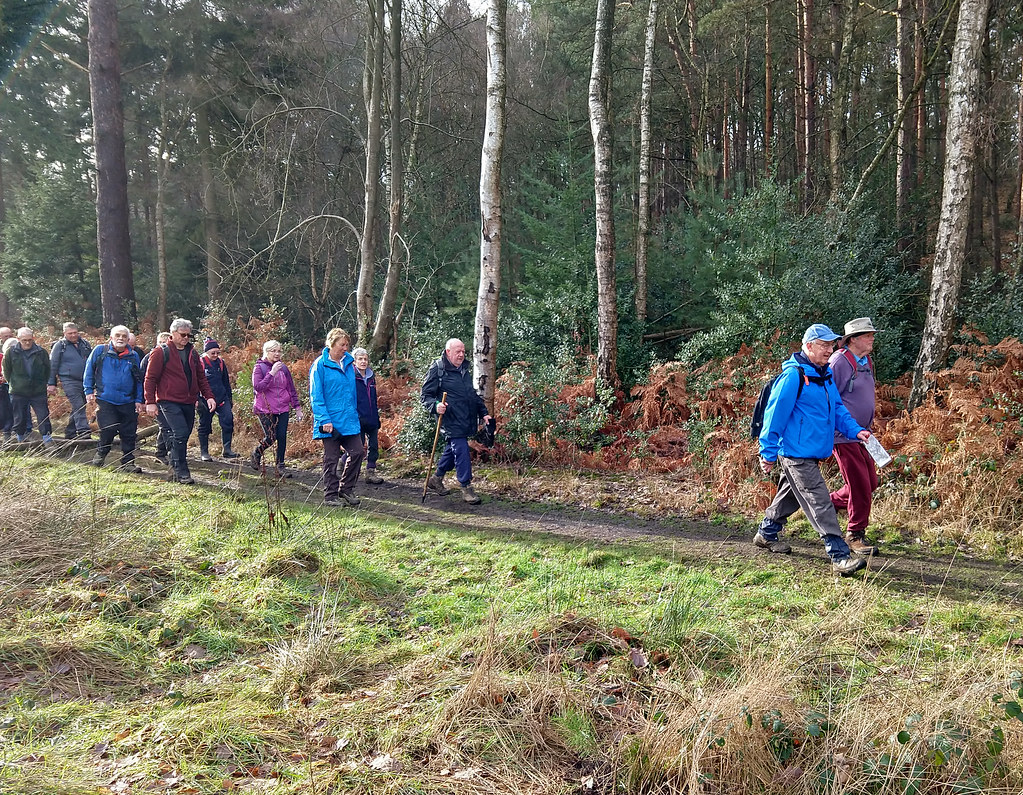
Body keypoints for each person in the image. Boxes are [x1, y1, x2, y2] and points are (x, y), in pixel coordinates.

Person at [755, 324, 874, 576]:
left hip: (812, 451)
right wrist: (767, 453)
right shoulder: (793, 377)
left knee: (789, 496)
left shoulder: (824, 375)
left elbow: (839, 409)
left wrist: (855, 431)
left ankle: (766, 533)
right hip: (796, 454)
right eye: (824, 345)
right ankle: (839, 554)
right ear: (808, 346)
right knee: (819, 501)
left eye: (831, 345)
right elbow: (773, 416)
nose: (829, 350)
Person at [829, 317, 882, 556]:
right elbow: (829, 397)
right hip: (844, 434)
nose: (872, 338)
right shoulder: (839, 361)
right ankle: (855, 534)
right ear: (854, 339)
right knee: (859, 484)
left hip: (863, 434)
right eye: (868, 335)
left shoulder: (866, 361)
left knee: (870, 482)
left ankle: (827, 503)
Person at [143, 318, 216, 484]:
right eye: (183, 334)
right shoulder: (160, 352)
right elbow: (150, 378)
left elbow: (200, 377)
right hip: (168, 400)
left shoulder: (193, 353)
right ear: (173, 333)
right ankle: (181, 470)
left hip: (189, 401)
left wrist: (209, 396)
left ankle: (175, 466)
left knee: (183, 434)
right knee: (180, 433)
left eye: (189, 335)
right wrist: (150, 402)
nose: (186, 338)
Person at [420, 338, 492, 505]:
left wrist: (484, 413)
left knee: (452, 449)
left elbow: (471, 395)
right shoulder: (437, 369)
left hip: (465, 418)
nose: (461, 355)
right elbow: (425, 396)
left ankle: (436, 478)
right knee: (461, 450)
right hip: (449, 419)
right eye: (457, 352)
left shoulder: (464, 370)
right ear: (448, 352)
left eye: (463, 351)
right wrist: (436, 405)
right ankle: (466, 487)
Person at [309, 328, 364, 507]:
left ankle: (346, 489)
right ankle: (330, 496)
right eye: (342, 345)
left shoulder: (349, 364)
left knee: (358, 452)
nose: (345, 348)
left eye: (347, 345)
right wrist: (324, 419)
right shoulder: (320, 366)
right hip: (329, 422)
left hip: (348, 419)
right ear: (331, 344)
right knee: (331, 459)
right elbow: (316, 395)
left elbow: (351, 393)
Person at [84, 325, 144, 472]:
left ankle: (128, 463)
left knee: (129, 433)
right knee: (108, 429)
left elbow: (138, 380)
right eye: (118, 335)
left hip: (128, 400)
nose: (121, 338)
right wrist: (88, 390)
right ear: (111, 337)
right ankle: (101, 454)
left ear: (128, 339)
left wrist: (139, 399)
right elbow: (89, 369)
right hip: (105, 398)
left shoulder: (134, 356)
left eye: (124, 336)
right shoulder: (100, 351)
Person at [250, 339, 303, 477]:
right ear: (266, 352)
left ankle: (281, 466)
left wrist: (297, 407)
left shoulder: (283, 368)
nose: (277, 353)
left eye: (279, 351)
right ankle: (257, 453)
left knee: (282, 436)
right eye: (274, 351)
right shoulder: (259, 367)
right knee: (271, 436)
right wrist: (271, 373)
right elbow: (258, 387)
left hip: (283, 408)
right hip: (264, 408)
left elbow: (290, 388)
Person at [2, 327, 53, 444]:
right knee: (19, 417)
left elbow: (47, 370)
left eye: (29, 340)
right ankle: (20, 439)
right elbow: (7, 371)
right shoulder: (11, 352)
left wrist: (42, 383)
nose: (27, 342)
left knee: (43, 415)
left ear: (33, 338)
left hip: (38, 390)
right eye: (24, 340)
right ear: (18, 339)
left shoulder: (41, 352)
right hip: (18, 391)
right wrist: (14, 383)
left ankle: (47, 439)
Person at [48, 322, 93, 439]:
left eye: (75, 333)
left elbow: (92, 363)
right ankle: (84, 432)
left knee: (80, 405)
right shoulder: (59, 346)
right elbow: (53, 365)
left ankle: (70, 432)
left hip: (85, 381)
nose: (73, 335)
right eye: (70, 333)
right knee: (78, 405)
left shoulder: (85, 344)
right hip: (68, 380)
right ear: (64, 333)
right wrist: (51, 383)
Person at [196, 339, 239, 461]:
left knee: (228, 421)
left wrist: (229, 399)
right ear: (206, 352)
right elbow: (195, 382)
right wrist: (197, 399)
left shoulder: (220, 362)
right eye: (212, 353)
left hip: (222, 398)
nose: (215, 355)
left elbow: (226, 381)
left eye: (217, 353)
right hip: (205, 400)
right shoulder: (200, 363)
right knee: (204, 424)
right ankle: (204, 452)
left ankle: (227, 450)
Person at [352, 347, 384, 484]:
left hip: (371, 417)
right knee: (357, 447)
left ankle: (370, 472)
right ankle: (344, 467)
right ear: (354, 361)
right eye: (360, 359)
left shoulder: (371, 377)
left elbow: (374, 398)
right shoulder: (351, 376)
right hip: (357, 418)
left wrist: (376, 418)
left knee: (374, 446)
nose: (363, 361)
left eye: (365, 359)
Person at [141, 332, 172, 464]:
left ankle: (161, 452)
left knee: (166, 425)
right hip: (154, 397)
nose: (164, 346)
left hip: (169, 397)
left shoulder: (173, 357)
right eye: (162, 343)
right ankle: (169, 454)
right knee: (165, 425)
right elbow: (144, 379)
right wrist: (146, 400)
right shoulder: (149, 358)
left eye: (167, 343)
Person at [0, 327, 13, 439]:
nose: (8, 338)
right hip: (2, 383)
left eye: (10, 335)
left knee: (10, 407)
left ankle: (9, 430)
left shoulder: (15, 346)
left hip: (10, 383)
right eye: (6, 336)